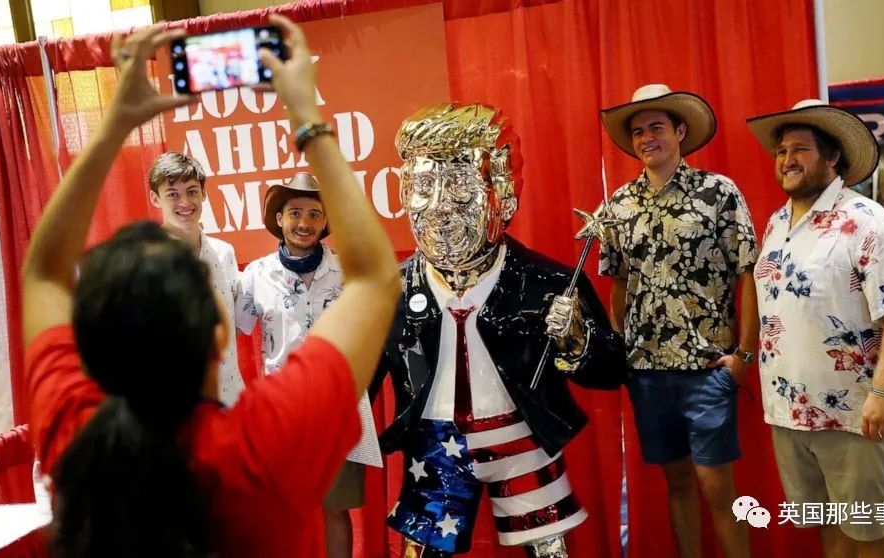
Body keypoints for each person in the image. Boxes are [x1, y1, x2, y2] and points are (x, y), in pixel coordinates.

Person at [21, 16, 399, 557]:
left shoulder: (75, 434)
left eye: (191, 191)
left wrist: (113, 126)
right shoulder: (267, 439)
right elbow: (378, 277)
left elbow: (41, 273)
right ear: (219, 331)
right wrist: (307, 119)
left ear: (93, 346)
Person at [372, 103, 626, 557]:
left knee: (549, 550)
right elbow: (360, 378)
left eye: (459, 188)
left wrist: (576, 341)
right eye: (424, 187)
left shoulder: (547, 283)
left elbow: (610, 371)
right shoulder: (390, 292)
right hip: (435, 447)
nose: (439, 208)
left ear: (503, 196)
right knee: (421, 552)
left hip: (521, 439)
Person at [747, 99, 884, 558]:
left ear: (832, 158)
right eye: (781, 151)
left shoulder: (867, 221)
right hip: (790, 412)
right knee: (825, 522)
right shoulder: (776, 223)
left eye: (800, 149)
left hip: (857, 415)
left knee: (874, 530)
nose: (787, 160)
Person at [598, 84, 758, 558]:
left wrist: (744, 355)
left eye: (657, 127)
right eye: (638, 131)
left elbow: (748, 272)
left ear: (680, 131)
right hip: (647, 372)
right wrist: (620, 347)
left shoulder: (718, 192)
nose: (647, 137)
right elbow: (619, 283)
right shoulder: (619, 206)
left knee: (718, 488)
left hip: (708, 368)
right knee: (677, 484)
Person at [235, 172, 377, 558]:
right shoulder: (255, 276)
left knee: (335, 509)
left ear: (325, 221)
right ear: (279, 218)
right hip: (281, 413)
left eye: (315, 214)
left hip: (337, 408)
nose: (304, 222)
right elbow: (235, 326)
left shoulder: (348, 270)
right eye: (295, 212)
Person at [147, 151, 243, 406]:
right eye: (172, 194)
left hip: (231, 399)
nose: (185, 202)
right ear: (155, 198)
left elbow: (232, 324)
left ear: (204, 193)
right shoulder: (145, 261)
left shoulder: (224, 253)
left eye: (192, 191)